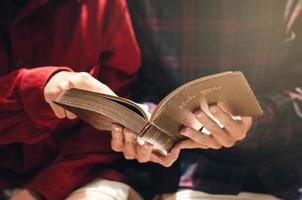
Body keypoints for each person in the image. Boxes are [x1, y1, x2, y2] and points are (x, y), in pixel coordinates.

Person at [112, 1, 302, 200]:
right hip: (191, 172)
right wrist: (146, 126)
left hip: (286, 167)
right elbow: (145, 84)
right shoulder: (145, 5)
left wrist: (254, 121)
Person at [0, 0, 150, 199]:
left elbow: (108, 122)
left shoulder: (103, 6)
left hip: (80, 173)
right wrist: (39, 90)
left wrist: (43, 189)